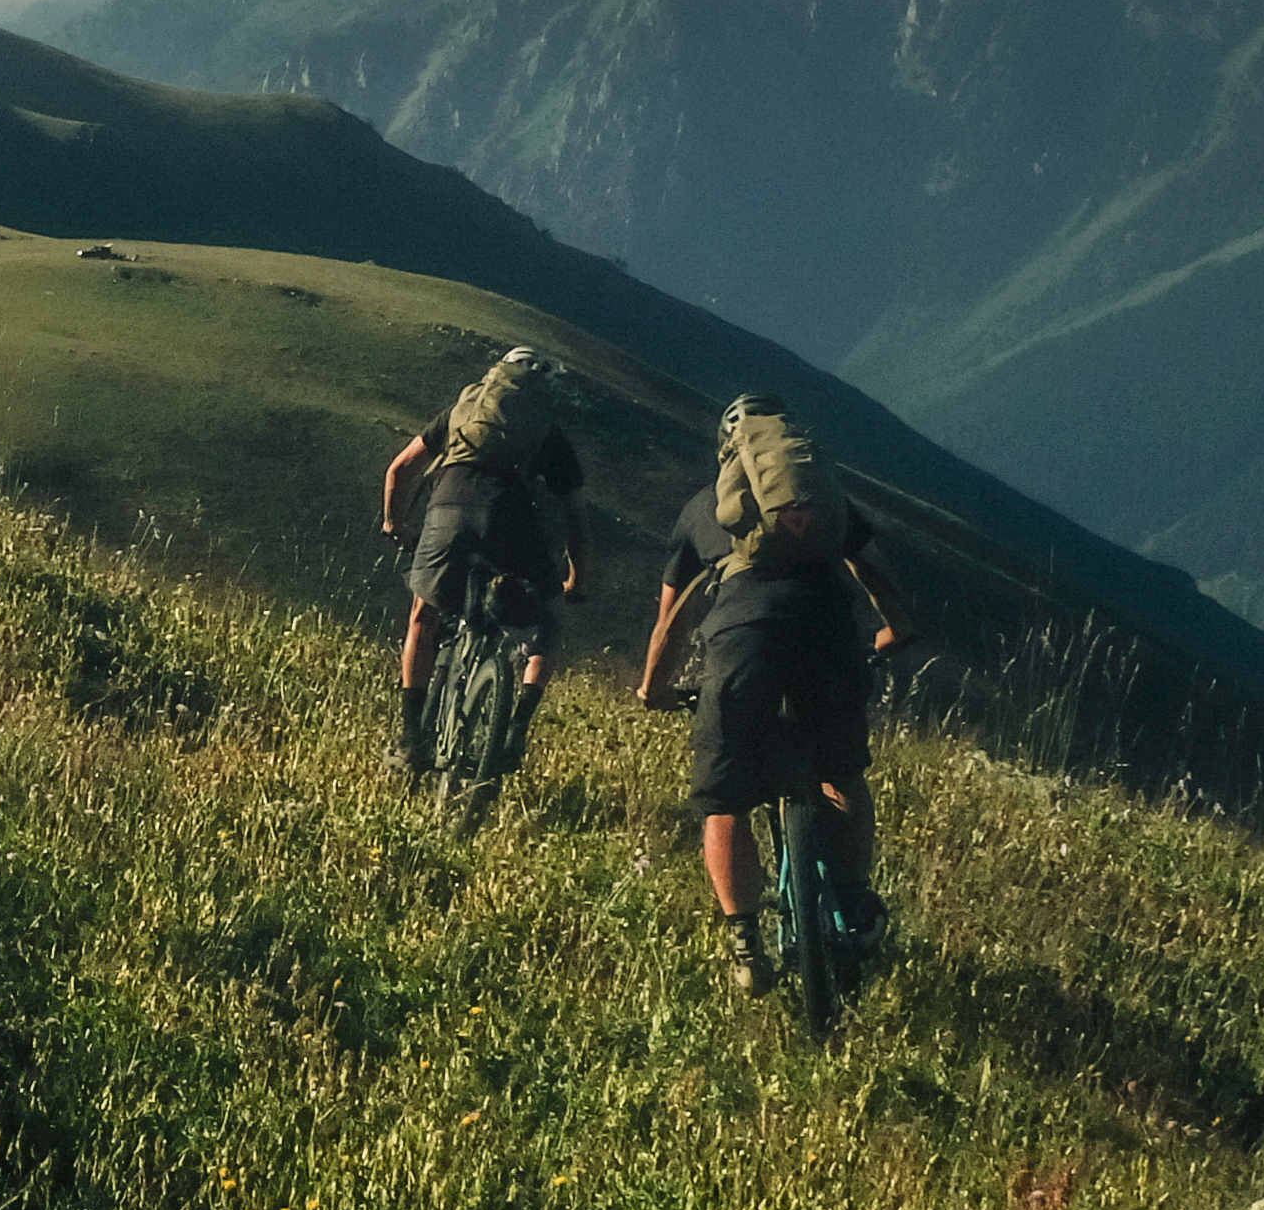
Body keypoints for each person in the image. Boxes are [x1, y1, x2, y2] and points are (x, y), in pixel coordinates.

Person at [633, 391, 895, 976]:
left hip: (741, 639)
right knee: (841, 772)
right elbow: (878, 576)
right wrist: (892, 636)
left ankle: (746, 944)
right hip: (828, 627)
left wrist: (654, 688)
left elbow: (671, 622)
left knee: (725, 801)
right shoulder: (825, 501)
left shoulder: (703, 507)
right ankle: (855, 902)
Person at [379, 346, 585, 770]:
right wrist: (576, 580)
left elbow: (400, 470)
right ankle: (515, 730)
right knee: (548, 623)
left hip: (448, 509)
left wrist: (394, 523)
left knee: (423, 615)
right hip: (510, 520)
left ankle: (411, 739)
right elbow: (577, 519)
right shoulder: (548, 431)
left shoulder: (463, 410)